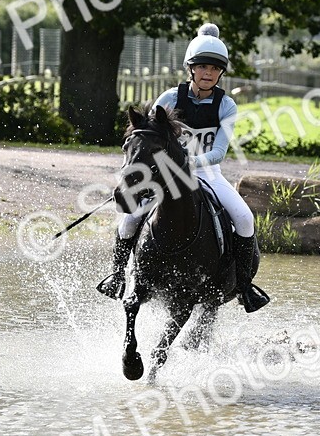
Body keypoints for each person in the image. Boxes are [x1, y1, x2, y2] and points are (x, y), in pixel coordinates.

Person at [97, 23, 270, 312]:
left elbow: (218, 152)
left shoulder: (226, 105)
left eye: (214, 69)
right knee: (129, 220)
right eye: (202, 67)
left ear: (221, 73)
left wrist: (187, 163)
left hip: (207, 173)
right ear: (190, 68)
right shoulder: (169, 99)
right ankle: (117, 277)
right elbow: (146, 139)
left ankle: (244, 286)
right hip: (165, 173)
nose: (208, 73)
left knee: (244, 218)